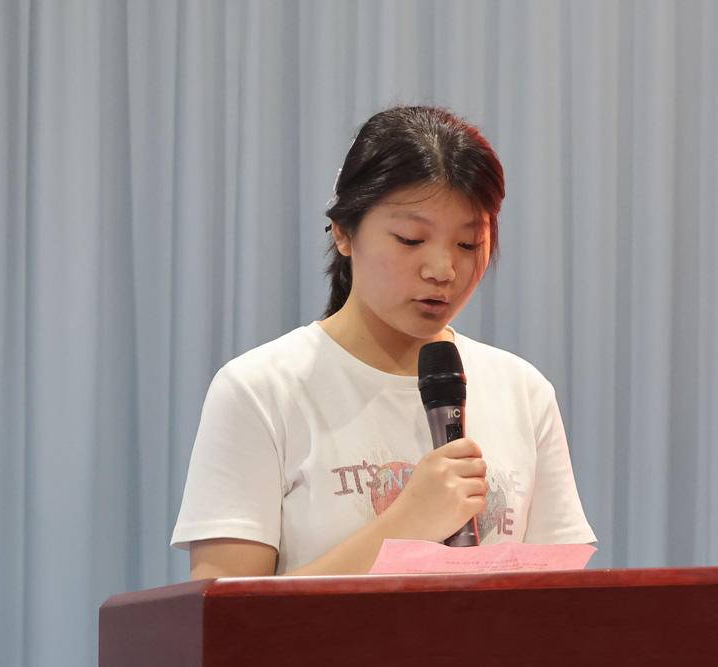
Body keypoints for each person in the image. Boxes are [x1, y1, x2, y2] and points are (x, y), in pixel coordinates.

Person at [171, 105, 595, 577]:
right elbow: (224, 615)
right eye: (411, 239)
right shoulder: (261, 390)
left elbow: (564, 601)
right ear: (344, 232)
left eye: (468, 244)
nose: (442, 270)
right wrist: (406, 524)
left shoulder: (523, 392)